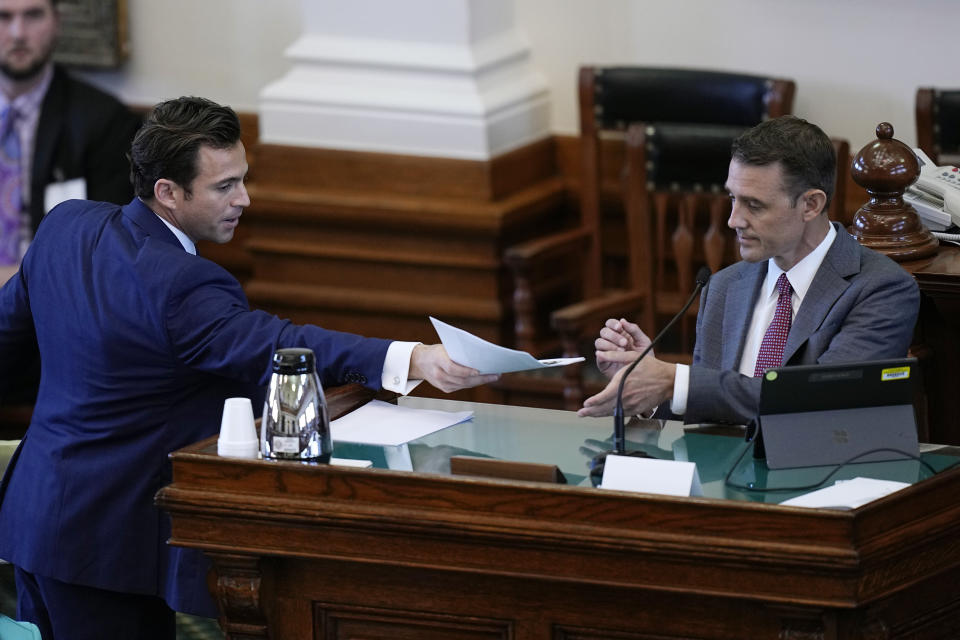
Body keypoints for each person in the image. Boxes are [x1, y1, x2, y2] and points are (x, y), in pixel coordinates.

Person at [0, 96, 499, 640]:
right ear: (168, 192)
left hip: (35, 517)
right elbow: (280, 344)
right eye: (224, 187)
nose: (245, 199)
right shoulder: (181, 284)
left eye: (243, 178)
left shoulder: (65, 228)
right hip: (108, 547)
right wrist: (415, 358)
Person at [578, 115, 920, 426]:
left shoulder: (880, 288)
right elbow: (713, 407)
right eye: (732, 199)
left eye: (754, 205)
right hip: (722, 483)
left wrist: (673, 382)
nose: (733, 220)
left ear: (811, 205)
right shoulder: (725, 286)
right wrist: (647, 384)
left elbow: (819, 406)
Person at [0, 0, 141, 275]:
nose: (18, 32)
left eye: (33, 15)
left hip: (50, 298)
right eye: (3, 17)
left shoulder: (104, 121)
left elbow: (106, 248)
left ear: (57, 21)